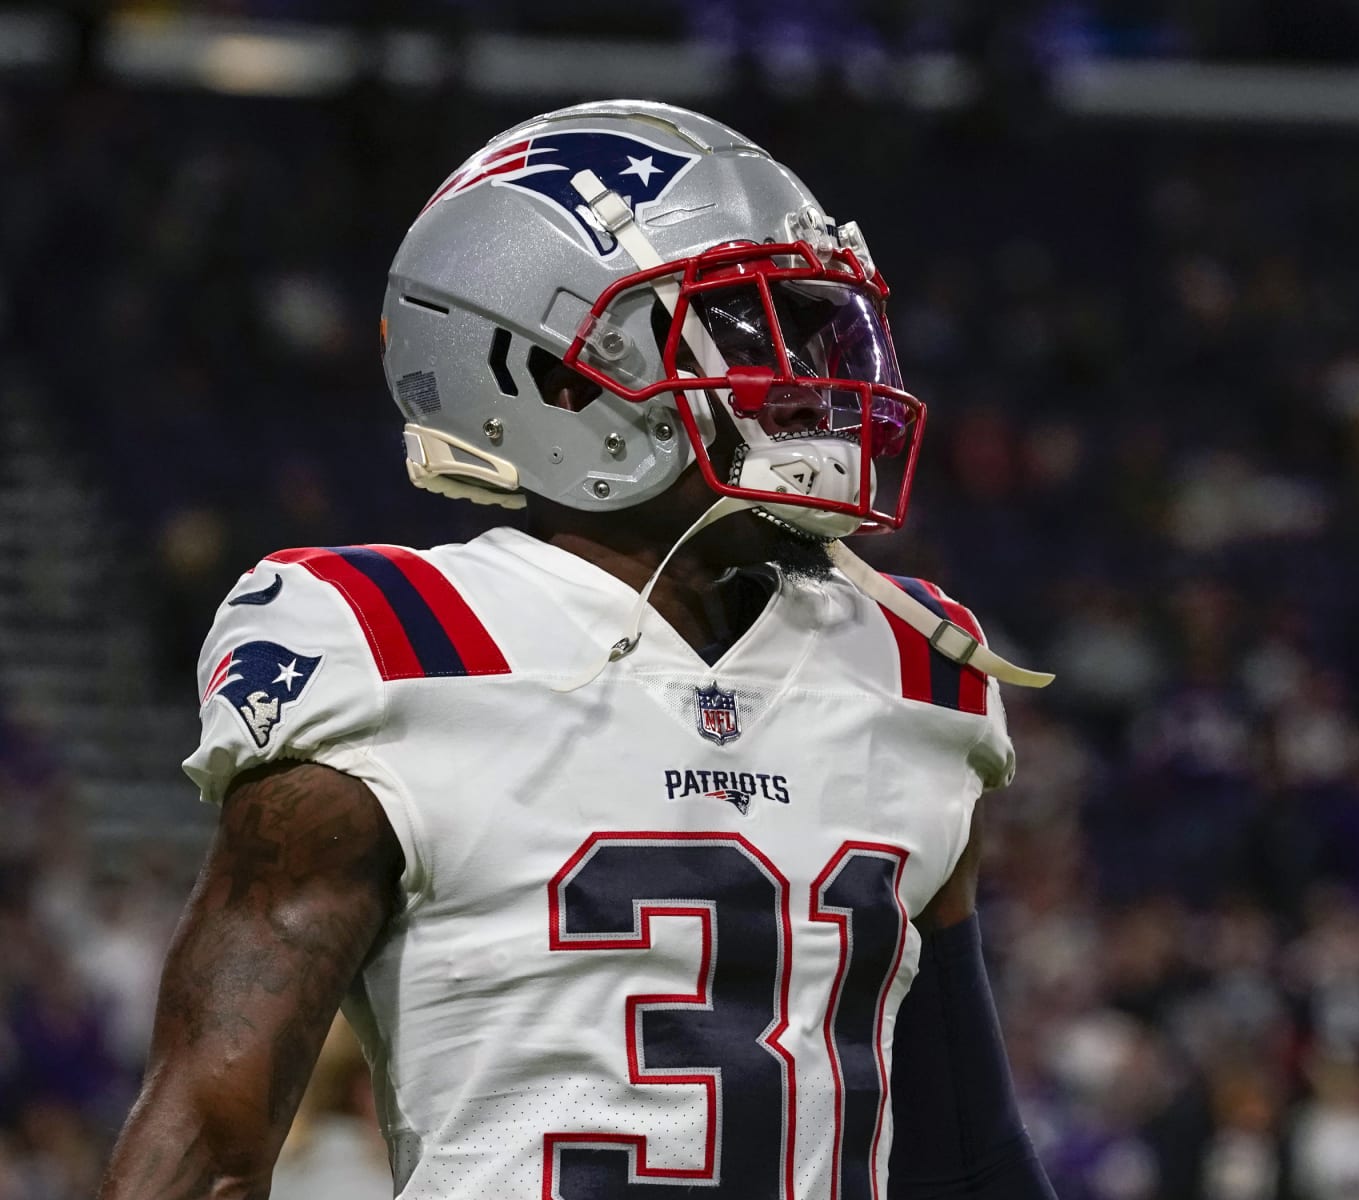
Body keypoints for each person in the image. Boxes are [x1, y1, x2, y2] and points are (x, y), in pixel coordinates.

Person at [97, 100, 1057, 1200]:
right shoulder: (392, 642)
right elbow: (211, 1143)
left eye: (816, 328)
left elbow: (964, 1151)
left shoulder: (915, 669)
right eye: (745, 332)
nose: (810, 386)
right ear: (557, 378)